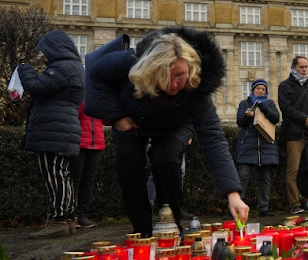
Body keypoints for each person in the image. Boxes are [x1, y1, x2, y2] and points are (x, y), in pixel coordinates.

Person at [87, 26, 249, 237]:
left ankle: (172, 227)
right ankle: (142, 231)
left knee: (167, 161)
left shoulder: (197, 90)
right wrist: (116, 116)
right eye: (164, 77)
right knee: (128, 162)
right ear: (150, 71)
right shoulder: (128, 62)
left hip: (175, 125)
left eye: (180, 75)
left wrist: (233, 194)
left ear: (191, 69)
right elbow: (95, 75)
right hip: (131, 119)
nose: (174, 84)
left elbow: (213, 138)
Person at [17, 30, 85, 238]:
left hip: (53, 128)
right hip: (63, 127)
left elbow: (36, 87)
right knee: (63, 175)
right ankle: (68, 218)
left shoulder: (62, 67)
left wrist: (24, 69)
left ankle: (58, 220)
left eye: (45, 50)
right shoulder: (73, 67)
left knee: (55, 175)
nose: (44, 55)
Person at [278, 56, 308, 214]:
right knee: (293, 170)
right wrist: (305, 119)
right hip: (294, 135)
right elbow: (286, 108)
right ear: (293, 68)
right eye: (301, 67)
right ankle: (295, 204)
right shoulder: (285, 86)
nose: (304, 70)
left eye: (306, 67)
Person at [236, 79, 280, 217]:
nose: (260, 91)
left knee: (265, 179)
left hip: (266, 145)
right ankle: (236, 207)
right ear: (253, 90)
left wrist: (264, 108)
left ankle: (263, 207)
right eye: (258, 88)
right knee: (242, 176)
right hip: (248, 145)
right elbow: (239, 122)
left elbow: (276, 118)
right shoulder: (245, 103)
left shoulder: (270, 103)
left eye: (263, 89)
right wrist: (247, 116)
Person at [69, 101, 106, 229]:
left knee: (87, 181)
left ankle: (82, 215)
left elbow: (106, 119)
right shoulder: (80, 95)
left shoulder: (97, 96)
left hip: (96, 143)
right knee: (75, 180)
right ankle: (71, 215)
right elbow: (74, 113)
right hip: (80, 142)